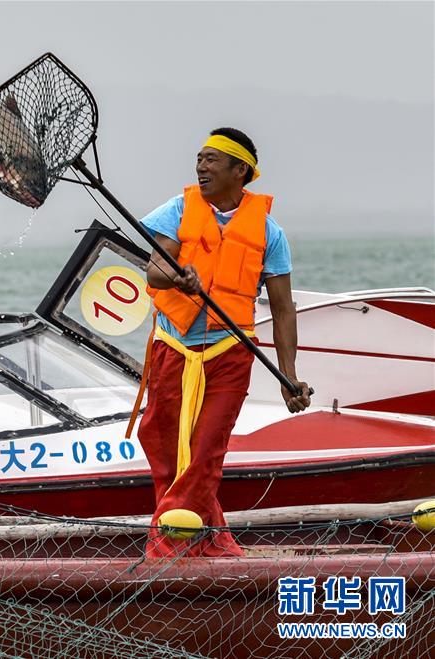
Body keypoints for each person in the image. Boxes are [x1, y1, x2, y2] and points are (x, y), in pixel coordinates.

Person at [136, 127, 312, 558]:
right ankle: (210, 540)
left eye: (211, 159)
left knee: (205, 451)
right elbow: (155, 269)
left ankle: (167, 547)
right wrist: (178, 276)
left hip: (229, 351)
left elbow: (283, 309)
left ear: (240, 171)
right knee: (160, 441)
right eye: (199, 158)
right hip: (173, 345)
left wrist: (288, 377)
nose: (200, 165)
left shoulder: (269, 232)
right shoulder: (178, 209)